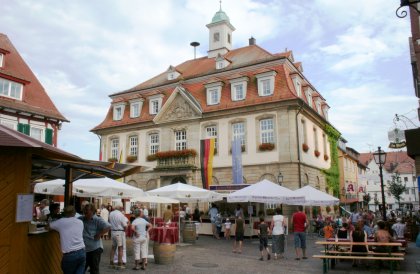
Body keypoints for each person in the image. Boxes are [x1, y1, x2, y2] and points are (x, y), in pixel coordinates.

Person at [49, 205, 86, 274]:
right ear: (74, 213)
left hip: (70, 255)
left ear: (64, 213)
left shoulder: (60, 222)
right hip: (82, 252)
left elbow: (48, 227)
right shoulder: (80, 222)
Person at [79, 203, 111, 274]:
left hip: (95, 249)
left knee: (94, 270)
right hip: (84, 248)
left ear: (92, 211)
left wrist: (99, 234)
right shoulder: (81, 218)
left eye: (87, 210)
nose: (85, 212)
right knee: (81, 269)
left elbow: (108, 226)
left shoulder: (97, 219)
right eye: (85, 210)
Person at [109, 202, 128, 269]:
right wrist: (126, 229)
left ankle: (111, 262)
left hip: (113, 231)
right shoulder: (120, 214)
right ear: (120, 207)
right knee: (120, 248)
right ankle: (120, 264)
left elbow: (109, 221)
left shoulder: (111, 213)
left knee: (113, 247)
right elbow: (125, 225)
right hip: (119, 232)